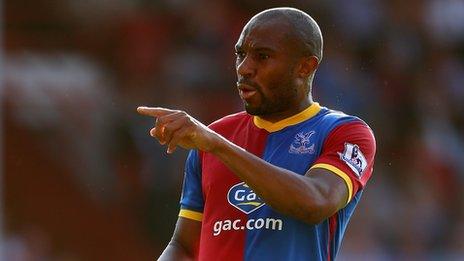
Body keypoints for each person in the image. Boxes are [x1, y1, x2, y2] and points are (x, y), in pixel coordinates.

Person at [138, 7, 376, 261]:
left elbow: (317, 201)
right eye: (240, 54)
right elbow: (184, 247)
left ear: (305, 67)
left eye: (262, 57)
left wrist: (218, 146)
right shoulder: (215, 136)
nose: (244, 68)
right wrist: (214, 142)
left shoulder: (345, 132)